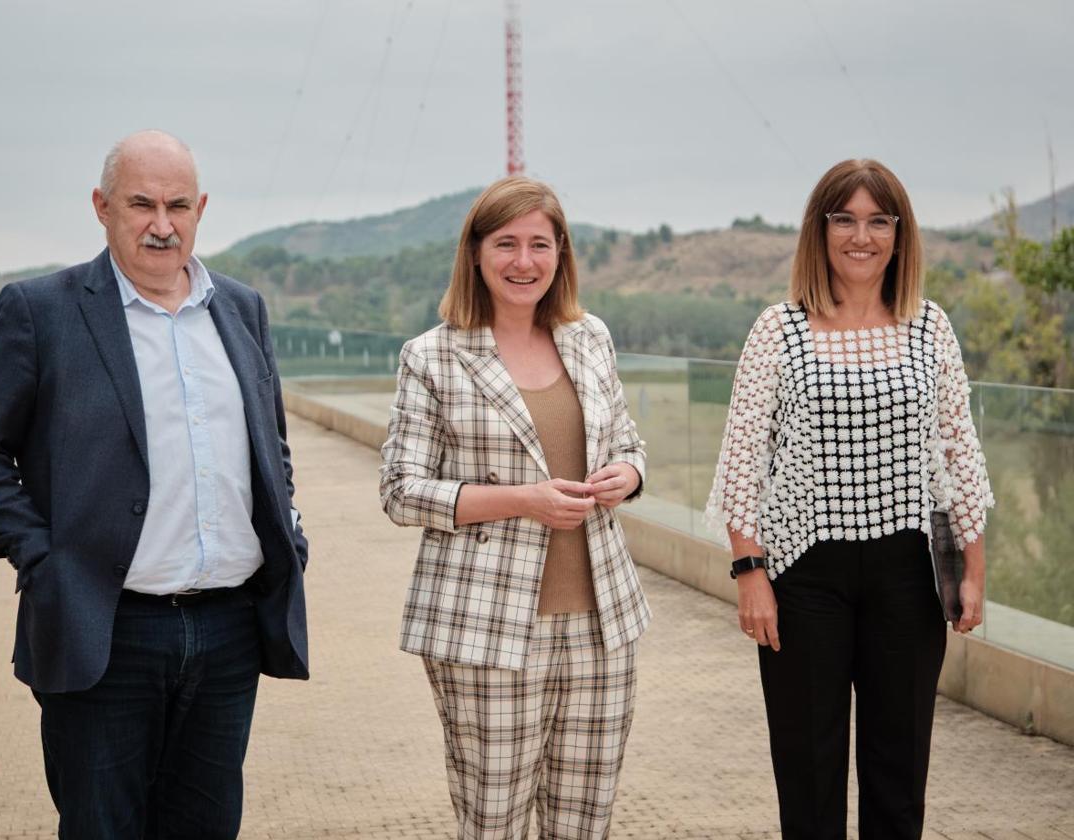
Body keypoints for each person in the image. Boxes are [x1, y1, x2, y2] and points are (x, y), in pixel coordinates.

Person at [0, 130, 309, 840]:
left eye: (177, 206)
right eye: (141, 204)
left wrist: (289, 527)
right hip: (106, 629)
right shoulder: (40, 311)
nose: (162, 225)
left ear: (201, 208)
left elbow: (272, 444)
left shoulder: (241, 309)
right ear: (102, 206)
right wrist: (42, 557)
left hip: (229, 629)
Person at [707, 158, 994, 839]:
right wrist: (750, 576)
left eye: (877, 221)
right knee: (808, 777)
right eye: (845, 220)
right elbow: (742, 462)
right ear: (821, 230)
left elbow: (960, 454)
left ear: (899, 234)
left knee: (899, 780)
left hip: (909, 576)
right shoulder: (780, 329)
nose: (860, 237)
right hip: (803, 577)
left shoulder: (931, 328)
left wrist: (974, 572)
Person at [379, 176, 649, 839]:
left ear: (561, 254)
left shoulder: (591, 339)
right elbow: (400, 489)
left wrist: (627, 475)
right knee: (493, 821)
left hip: (602, 627)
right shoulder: (433, 357)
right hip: (485, 629)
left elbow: (631, 444)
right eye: (506, 244)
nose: (523, 262)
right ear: (475, 254)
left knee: (585, 822)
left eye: (539, 244)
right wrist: (522, 501)